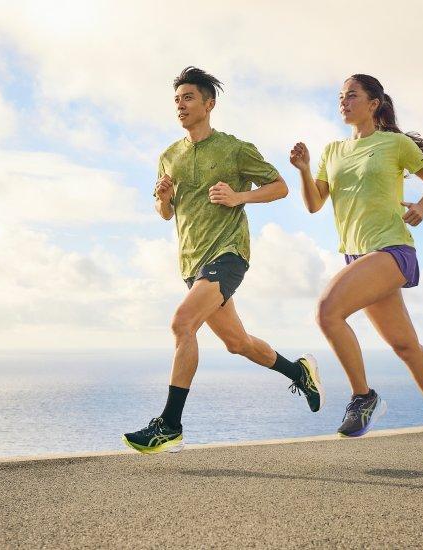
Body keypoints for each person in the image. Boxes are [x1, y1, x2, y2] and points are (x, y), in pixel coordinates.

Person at [122, 67, 324, 454]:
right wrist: (164, 197)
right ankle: (299, 372)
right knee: (238, 343)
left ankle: (170, 425)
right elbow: (164, 213)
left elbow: (279, 186)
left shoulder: (234, 148)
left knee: (182, 324)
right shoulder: (169, 156)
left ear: (209, 104)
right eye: (177, 100)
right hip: (191, 264)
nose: (180, 105)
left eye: (188, 98)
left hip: (229, 254)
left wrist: (238, 197)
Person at [289, 74, 423, 461]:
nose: (343, 101)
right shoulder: (333, 150)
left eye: (351, 95)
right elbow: (315, 203)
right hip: (358, 257)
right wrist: (304, 169)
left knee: (327, 312)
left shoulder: (395, 144)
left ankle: (364, 398)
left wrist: (421, 205)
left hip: (392, 249)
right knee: (405, 345)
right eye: (340, 96)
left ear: (374, 103)